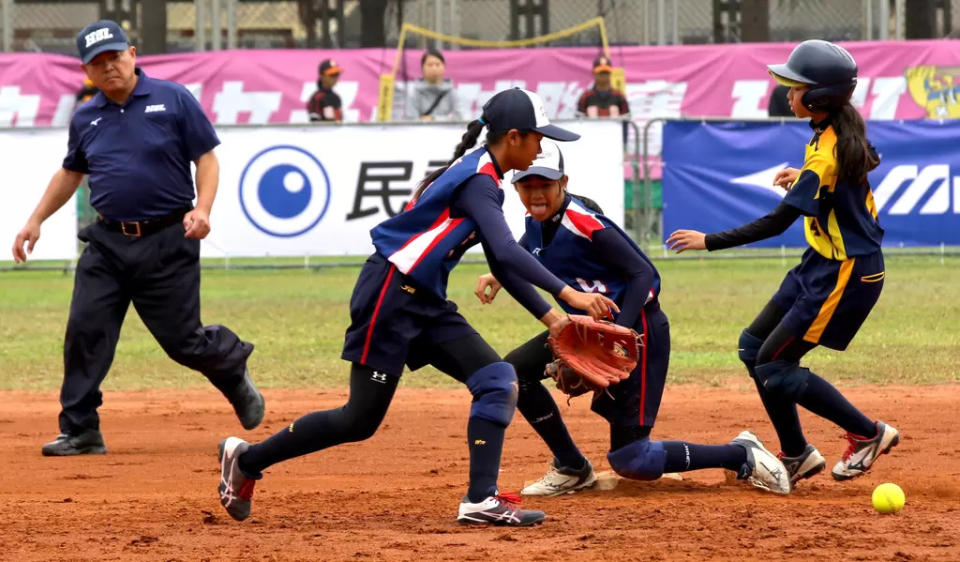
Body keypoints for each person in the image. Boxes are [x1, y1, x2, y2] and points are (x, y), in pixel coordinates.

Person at [217, 88, 618, 527]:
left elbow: (502, 262)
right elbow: (505, 251)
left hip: (422, 299)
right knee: (359, 419)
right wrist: (570, 295)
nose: (543, 146)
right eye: (538, 137)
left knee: (498, 379)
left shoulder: (481, 176)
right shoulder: (478, 182)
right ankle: (248, 460)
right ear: (515, 136)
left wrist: (554, 321)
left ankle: (480, 501)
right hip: (390, 295)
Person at [474, 141, 790, 498]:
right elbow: (531, 248)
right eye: (526, 186)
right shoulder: (536, 220)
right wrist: (500, 275)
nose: (535, 195)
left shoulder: (584, 223)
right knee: (515, 371)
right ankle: (571, 466)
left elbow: (644, 272)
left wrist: (619, 332)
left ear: (563, 182)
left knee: (631, 459)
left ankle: (739, 454)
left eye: (544, 185)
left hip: (638, 332)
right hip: (585, 331)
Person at [11, 20, 264, 457]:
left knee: (183, 342)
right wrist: (35, 220)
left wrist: (202, 209)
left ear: (132, 54)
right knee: (85, 331)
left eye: (114, 56)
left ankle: (230, 365)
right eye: (97, 63)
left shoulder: (174, 99)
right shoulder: (87, 115)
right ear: (86, 70)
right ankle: (81, 428)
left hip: (167, 239)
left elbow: (206, 157)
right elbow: (71, 171)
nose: (108, 67)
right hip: (108, 242)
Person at [666, 40, 899, 485]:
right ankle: (796, 454)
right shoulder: (834, 130)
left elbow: (776, 224)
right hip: (821, 263)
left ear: (817, 98)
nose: (786, 94)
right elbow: (843, 173)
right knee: (754, 349)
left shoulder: (830, 151)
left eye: (794, 88)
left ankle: (867, 433)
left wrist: (708, 241)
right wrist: (805, 180)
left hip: (847, 274)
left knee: (774, 366)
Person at [405, 49, 460, 122]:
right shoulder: (414, 92)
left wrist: (433, 119)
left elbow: (459, 117)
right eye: (430, 65)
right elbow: (411, 120)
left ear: (443, 67)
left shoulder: (451, 91)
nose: (434, 68)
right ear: (422, 68)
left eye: (437, 64)